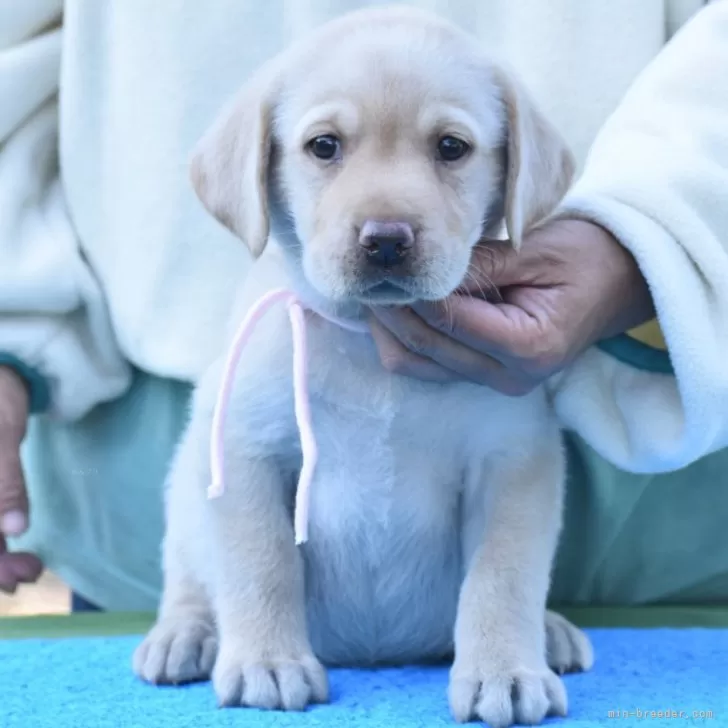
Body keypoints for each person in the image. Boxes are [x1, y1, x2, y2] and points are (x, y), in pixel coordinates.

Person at [1, 0, 727, 611]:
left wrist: (651, 234)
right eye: (325, 146)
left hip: (645, 473)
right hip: (137, 483)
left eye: (450, 146)